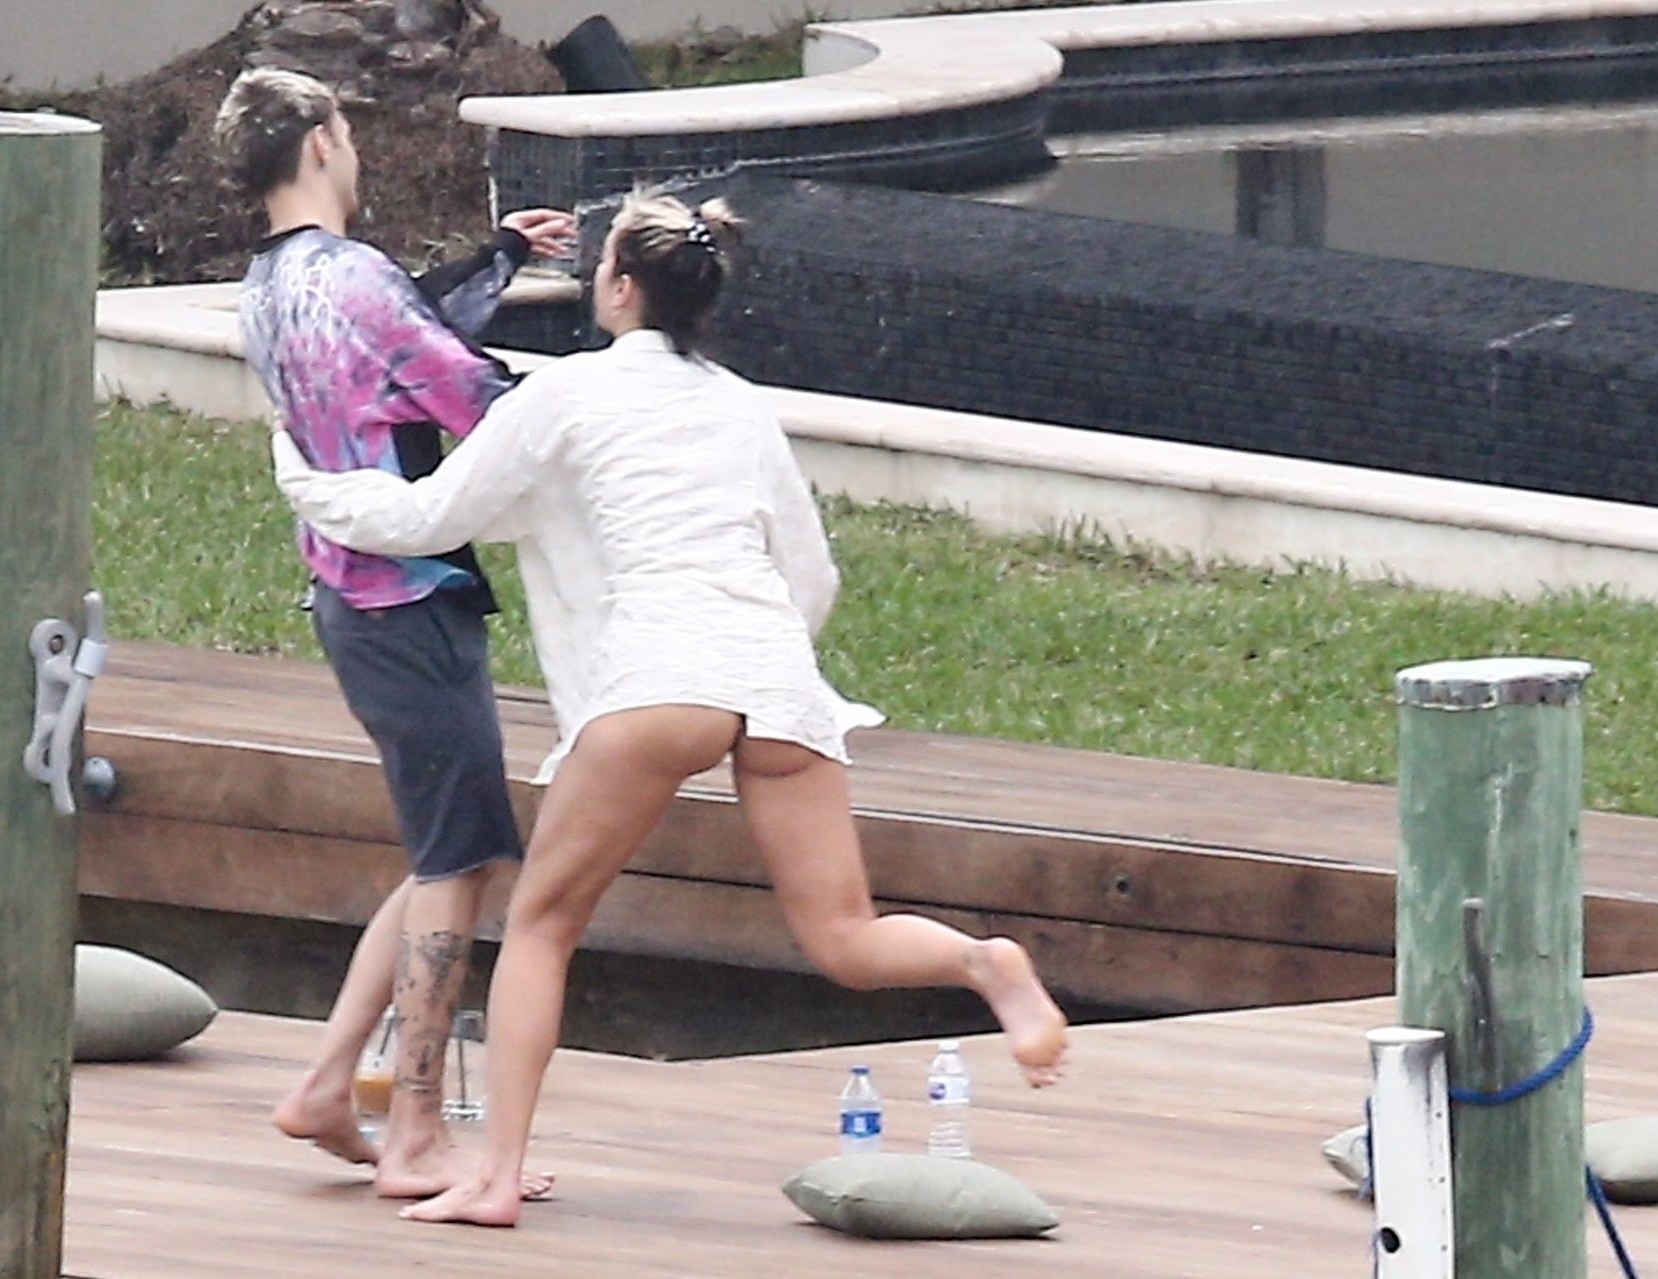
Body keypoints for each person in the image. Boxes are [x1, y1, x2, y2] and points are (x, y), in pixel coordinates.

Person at [271, 190, 1070, 1228]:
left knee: (542, 927)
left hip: (661, 679)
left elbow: (427, 514)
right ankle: (981, 961)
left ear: (619, 287)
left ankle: (497, 1174)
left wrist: (304, 476)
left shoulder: (567, 391)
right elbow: (812, 575)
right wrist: (759, 662)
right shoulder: (739, 404)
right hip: (775, 681)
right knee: (844, 934)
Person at [213, 67, 571, 1199]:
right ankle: (413, 1124)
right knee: (460, 864)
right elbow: (470, 396)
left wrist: (497, 256)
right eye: (349, 131)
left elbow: (399, 338)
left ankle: (328, 1085)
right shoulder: (354, 277)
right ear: (322, 140)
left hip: (352, 599)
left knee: (445, 853)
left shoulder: (269, 285)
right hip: (408, 602)